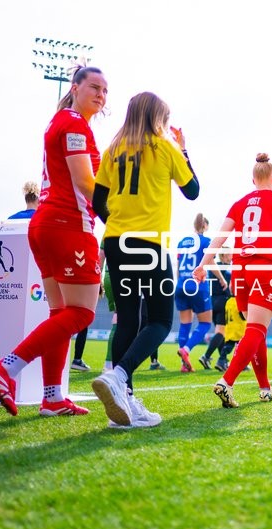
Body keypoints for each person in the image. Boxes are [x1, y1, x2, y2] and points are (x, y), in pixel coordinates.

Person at [0, 66, 107, 417]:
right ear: (75, 88)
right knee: (82, 312)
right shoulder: (73, 124)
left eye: (105, 90)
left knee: (60, 313)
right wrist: (118, 217)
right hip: (68, 225)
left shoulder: (62, 122)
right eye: (94, 87)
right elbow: (85, 183)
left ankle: (52, 397)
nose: (101, 95)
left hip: (48, 223)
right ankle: (7, 367)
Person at [90, 91, 199, 428]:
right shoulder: (163, 146)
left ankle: (126, 403)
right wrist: (183, 148)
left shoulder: (112, 149)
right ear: (157, 118)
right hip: (149, 243)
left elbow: (97, 201)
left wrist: (121, 226)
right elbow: (192, 190)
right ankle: (118, 376)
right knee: (160, 321)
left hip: (116, 243)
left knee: (128, 319)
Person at [193, 153, 272, 408]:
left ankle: (264, 387)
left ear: (253, 179)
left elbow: (220, 236)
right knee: (256, 329)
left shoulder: (239, 203)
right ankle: (226, 382)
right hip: (265, 269)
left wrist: (203, 264)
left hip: (241, 271)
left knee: (254, 328)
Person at [175, 213, 212, 373]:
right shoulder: (206, 241)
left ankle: (184, 364)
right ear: (205, 226)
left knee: (185, 323)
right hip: (198, 285)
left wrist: (179, 282)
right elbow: (210, 262)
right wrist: (223, 281)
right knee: (205, 323)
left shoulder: (182, 242)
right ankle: (187, 349)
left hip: (181, 285)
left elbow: (177, 264)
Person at [199, 248, 231, 370]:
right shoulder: (228, 269)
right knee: (221, 332)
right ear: (224, 256)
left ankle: (223, 361)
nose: (232, 257)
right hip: (224, 302)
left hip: (213, 301)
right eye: (230, 255)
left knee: (220, 333)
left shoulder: (214, 268)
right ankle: (206, 356)